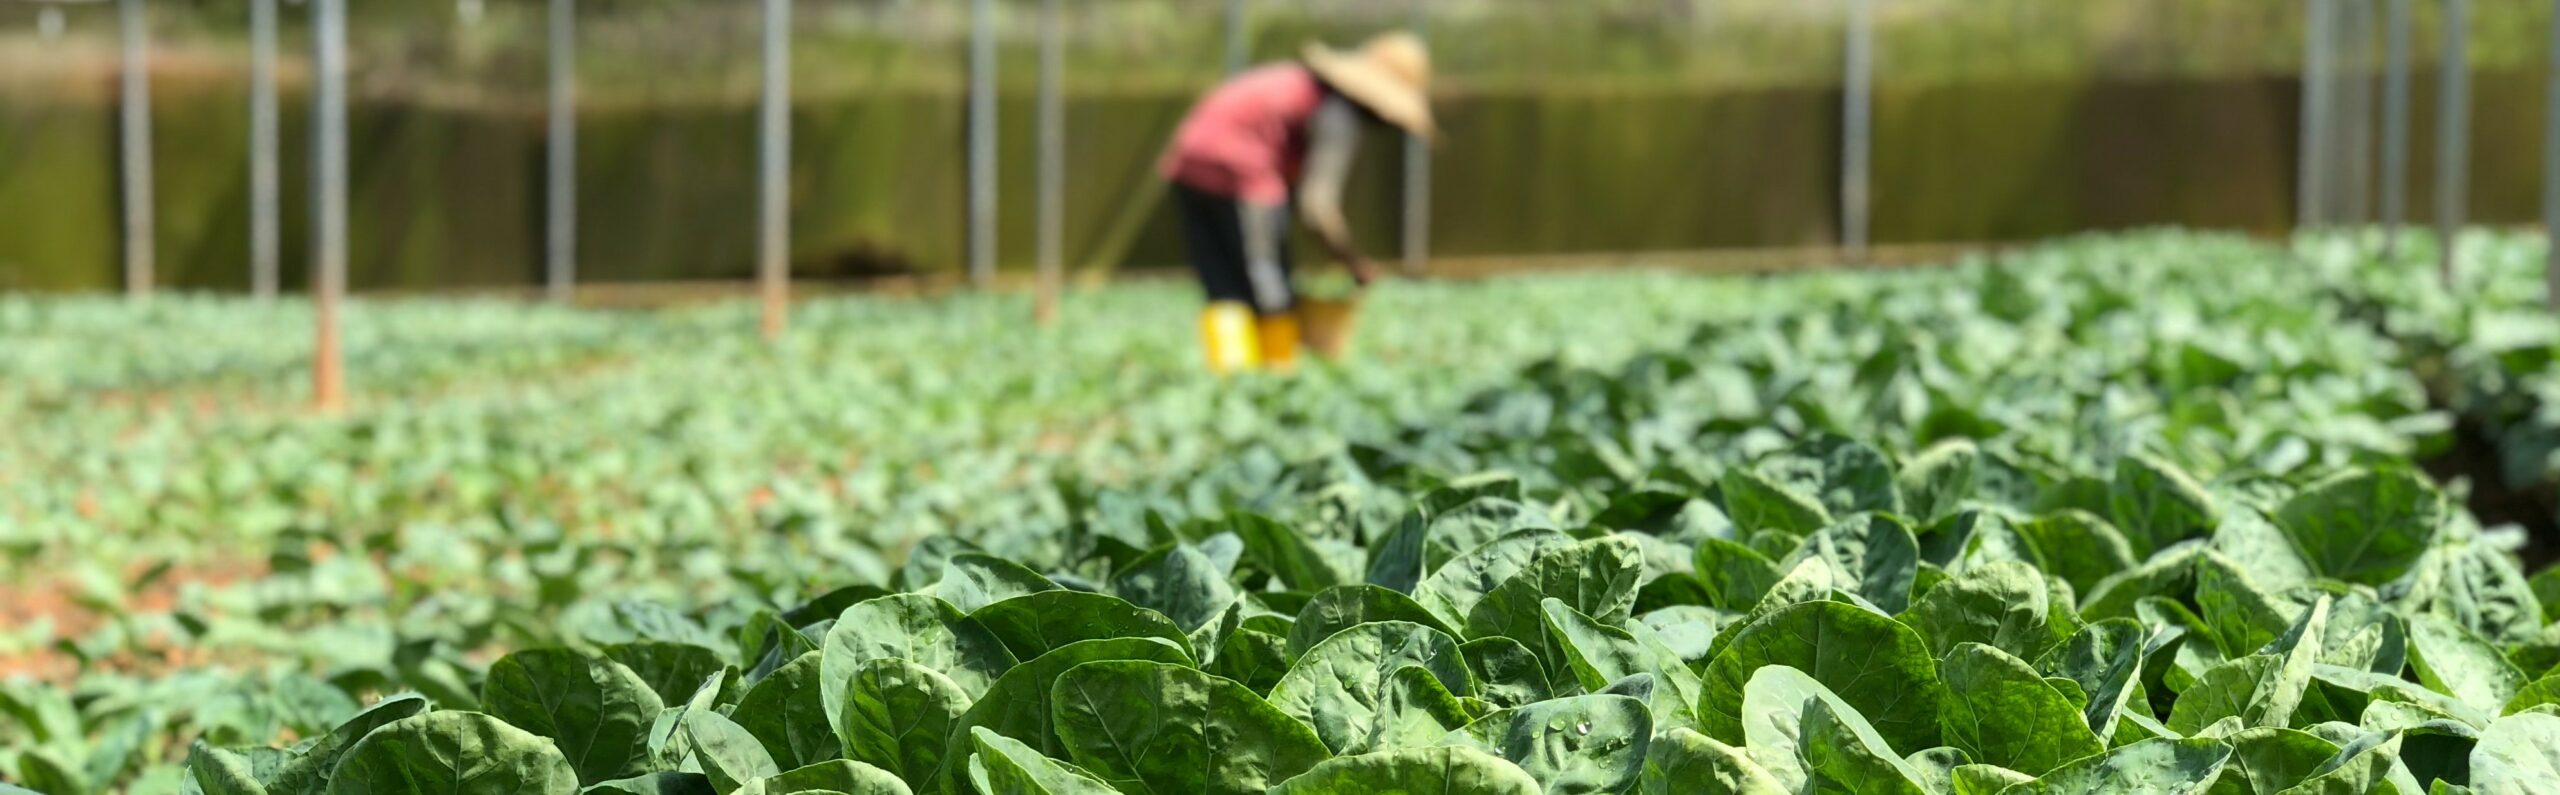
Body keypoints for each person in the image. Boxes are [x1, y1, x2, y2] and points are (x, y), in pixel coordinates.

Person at [1159, 32, 1435, 372]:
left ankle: (1229, 383)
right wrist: (1352, 261)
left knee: (1223, 284)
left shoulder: (1300, 84)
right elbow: (1317, 208)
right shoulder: (1337, 113)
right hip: (1242, 169)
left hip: (1188, 162)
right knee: (1268, 282)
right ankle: (1278, 378)